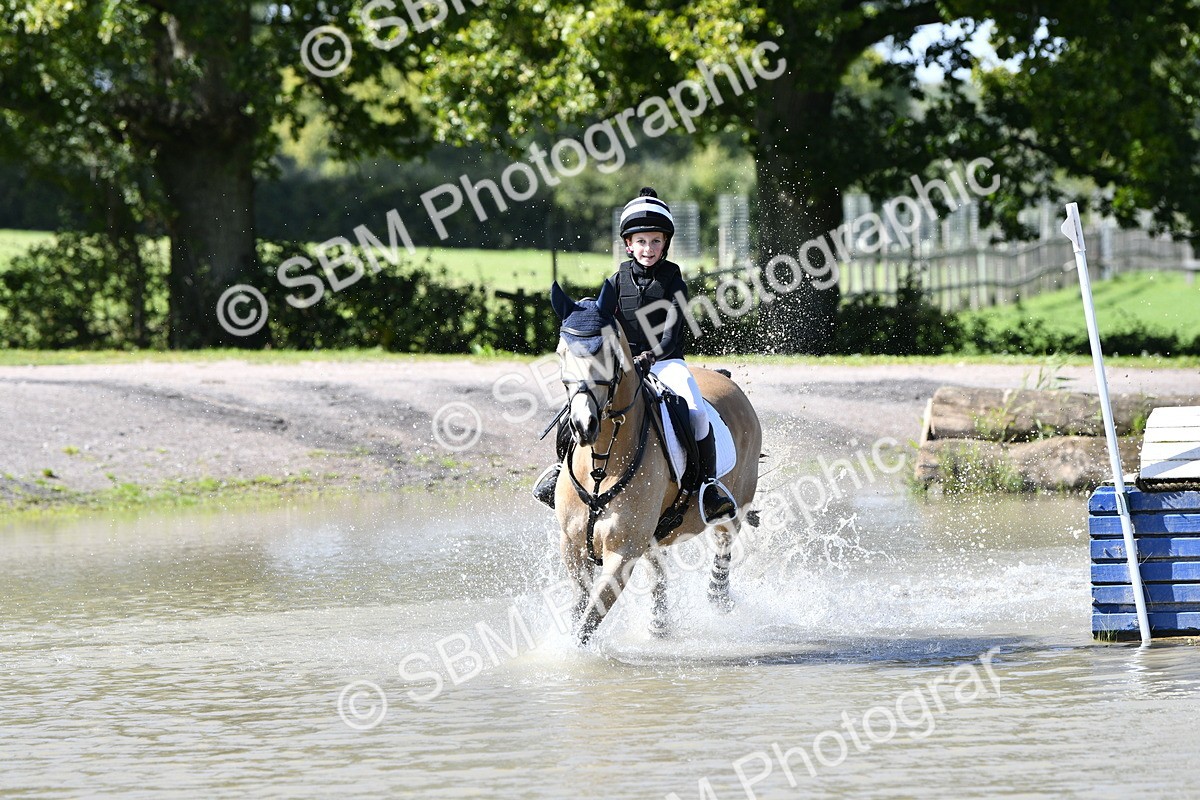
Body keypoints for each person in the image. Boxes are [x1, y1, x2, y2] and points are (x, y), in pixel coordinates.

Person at [533, 187, 737, 524]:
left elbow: (672, 334)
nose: (648, 249)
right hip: (623, 367)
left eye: (655, 241)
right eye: (641, 242)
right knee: (577, 407)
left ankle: (707, 487)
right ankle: (560, 471)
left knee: (696, 412)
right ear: (629, 244)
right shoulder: (615, 283)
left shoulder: (674, 282)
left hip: (667, 362)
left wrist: (650, 357)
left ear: (665, 244)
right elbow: (602, 324)